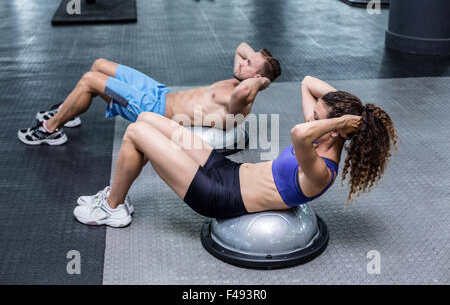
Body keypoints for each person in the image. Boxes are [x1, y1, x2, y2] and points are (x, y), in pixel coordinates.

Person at [73, 76, 398, 227]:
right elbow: (307, 82)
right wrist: (355, 112)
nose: (310, 115)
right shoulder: (320, 135)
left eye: (318, 117)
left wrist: (338, 119)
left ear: (336, 129)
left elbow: (299, 132)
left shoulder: (322, 167)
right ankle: (118, 194)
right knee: (147, 119)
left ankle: (112, 206)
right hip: (224, 170)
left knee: (136, 132)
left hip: (218, 196)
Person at [18, 42, 281, 145]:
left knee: (90, 80)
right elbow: (241, 47)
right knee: (99, 64)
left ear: (257, 80)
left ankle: (50, 130)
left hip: (153, 109)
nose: (241, 63)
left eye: (249, 64)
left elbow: (247, 87)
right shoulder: (241, 79)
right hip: (159, 93)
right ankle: (69, 112)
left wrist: (261, 82)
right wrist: (256, 61)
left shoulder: (241, 101)